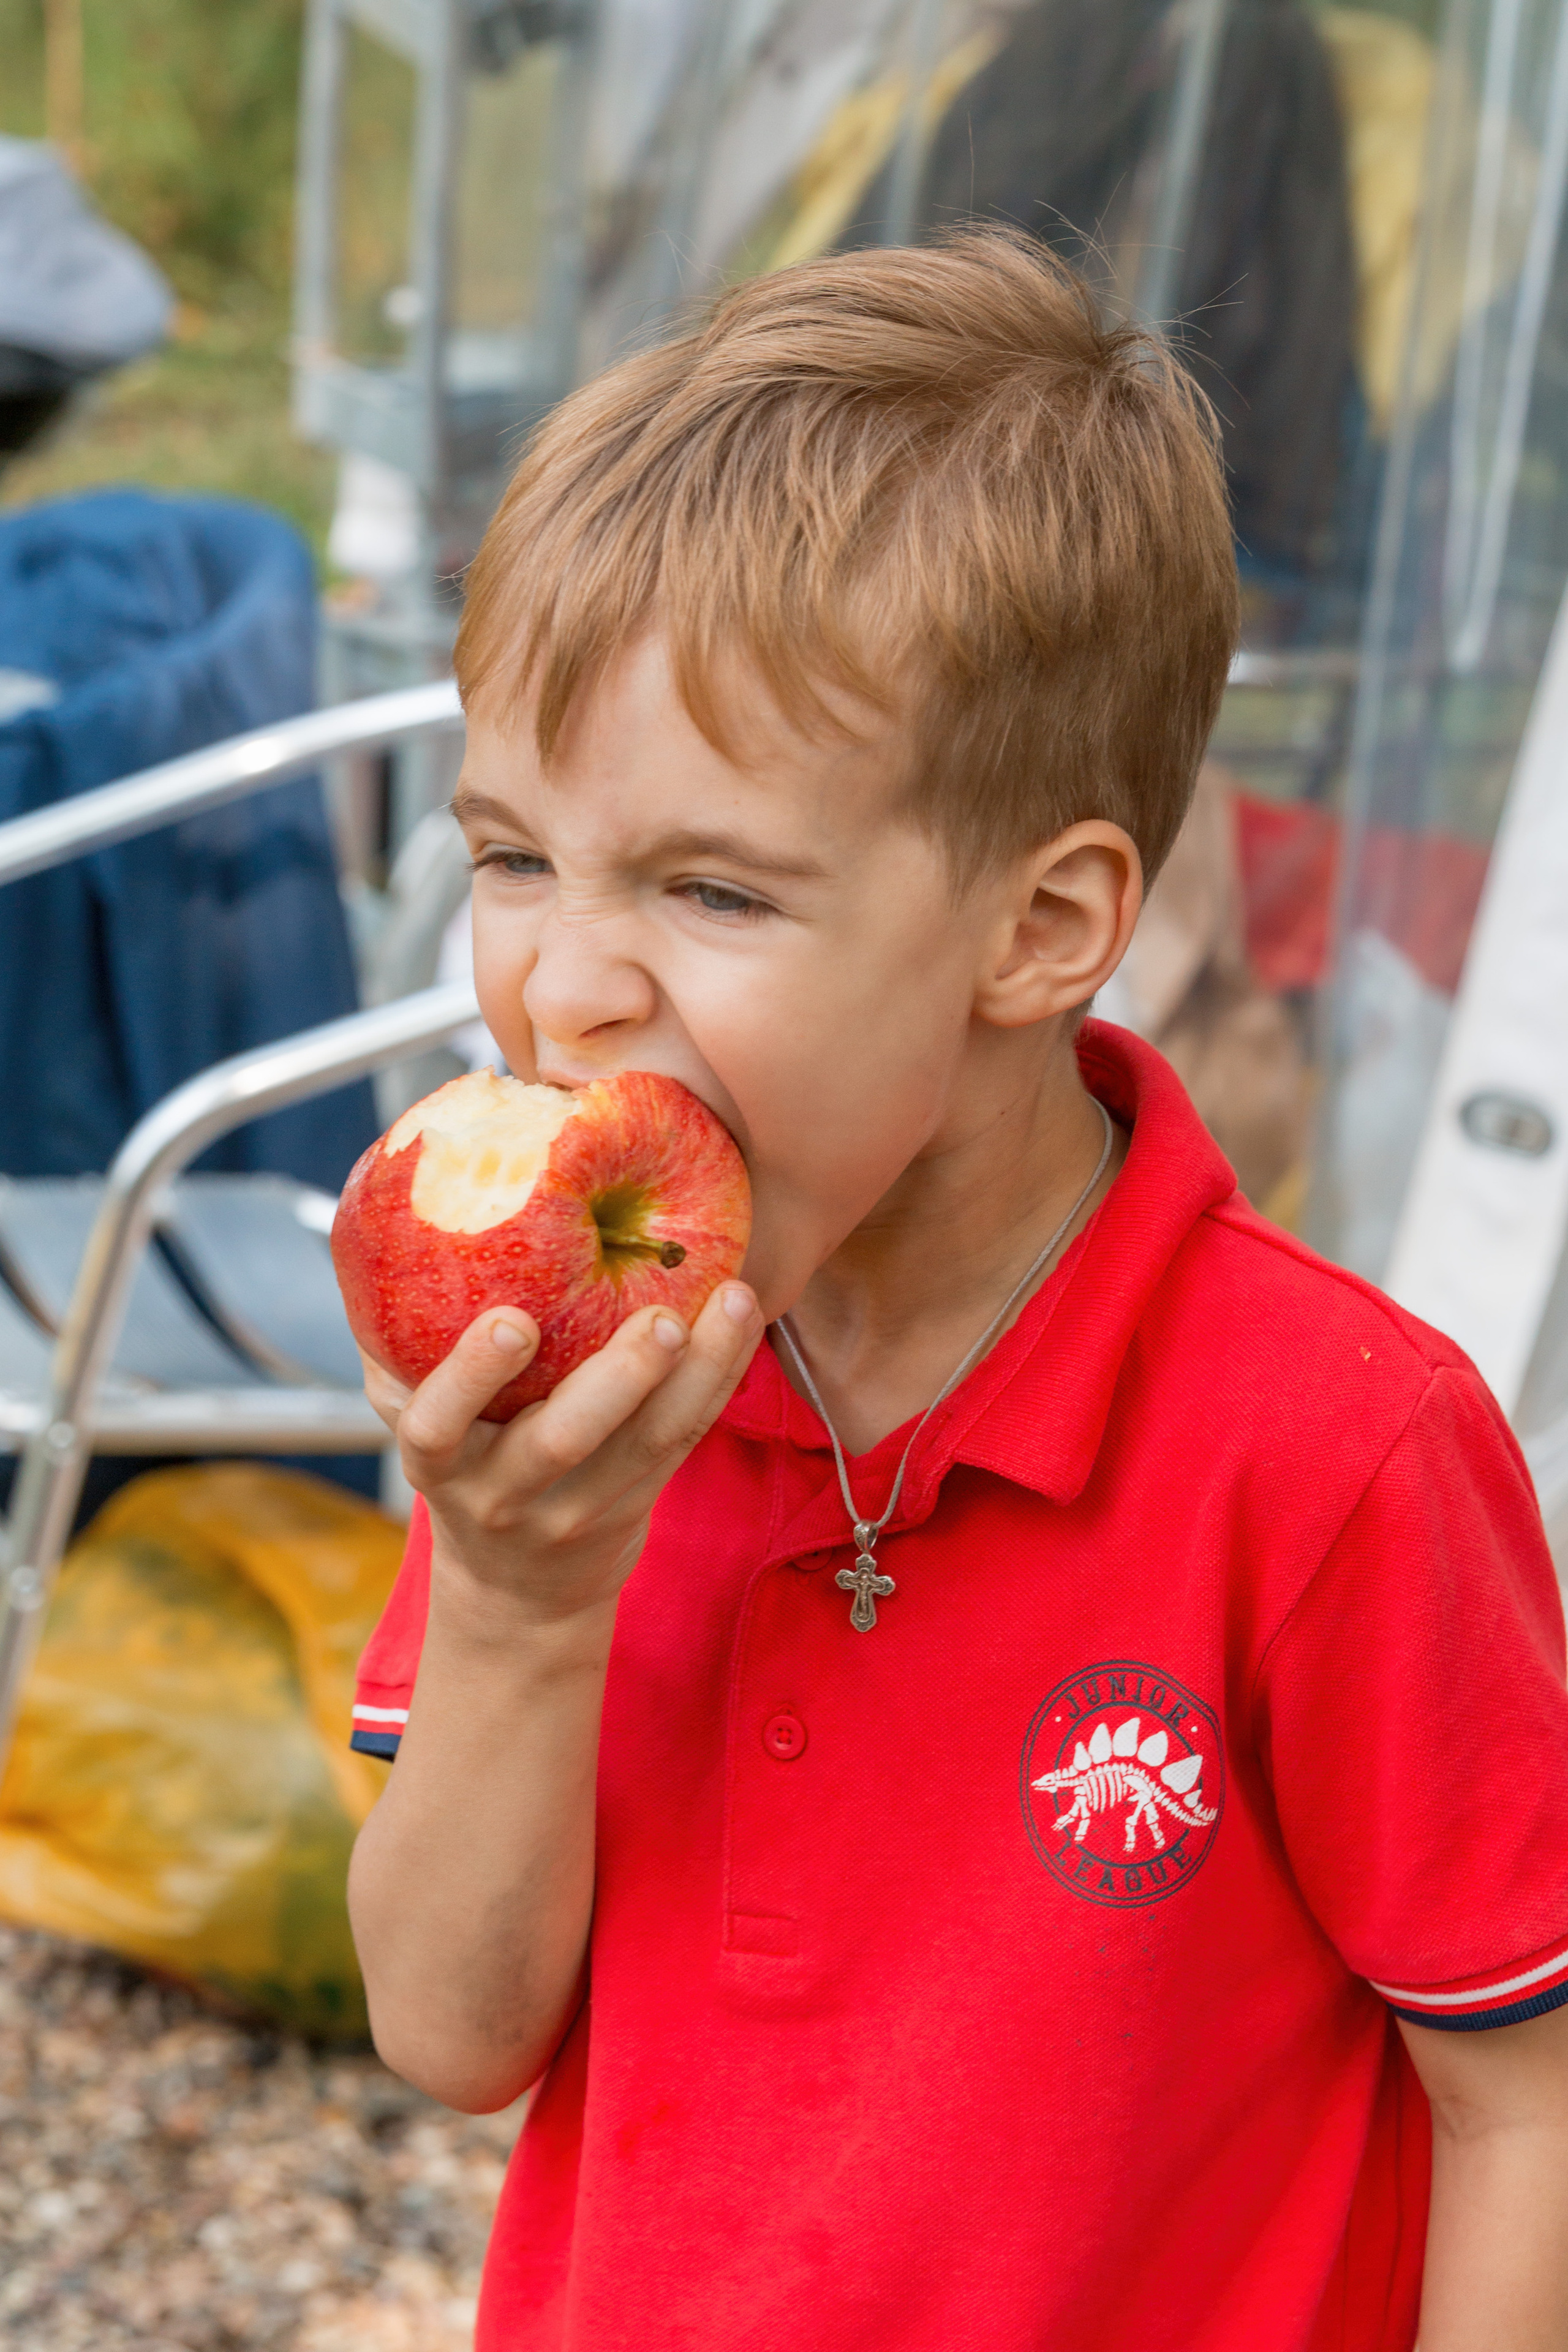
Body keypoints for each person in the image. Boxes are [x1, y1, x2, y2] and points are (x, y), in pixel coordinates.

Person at [344, 231, 1568, 2351]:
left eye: (710, 886)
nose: (565, 978)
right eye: (512, 854)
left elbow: (1523, 2098)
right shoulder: (573, 1419)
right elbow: (454, 2033)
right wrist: (521, 1612)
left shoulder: (1334, 1449)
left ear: (1044, 928)